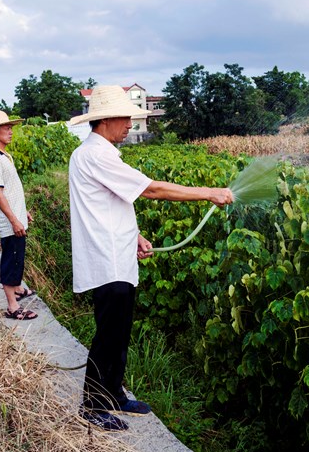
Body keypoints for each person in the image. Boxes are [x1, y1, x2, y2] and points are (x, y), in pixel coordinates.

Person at [68, 85, 233, 432]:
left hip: (116, 254)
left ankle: (113, 394)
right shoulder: (96, 154)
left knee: (120, 330)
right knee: (108, 335)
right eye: (126, 118)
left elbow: (110, 205)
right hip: (107, 259)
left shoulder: (102, 153)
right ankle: (93, 404)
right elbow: (151, 189)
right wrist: (209, 193)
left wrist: (136, 235)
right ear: (105, 120)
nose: (130, 124)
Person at [0, 109, 37, 321]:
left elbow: (10, 189)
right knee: (11, 260)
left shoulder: (2, 156)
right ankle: (12, 306)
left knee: (17, 257)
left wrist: (22, 212)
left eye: (11, 128)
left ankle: (18, 289)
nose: (11, 132)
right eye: (7, 128)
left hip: (16, 217)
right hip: (9, 222)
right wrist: (13, 219)